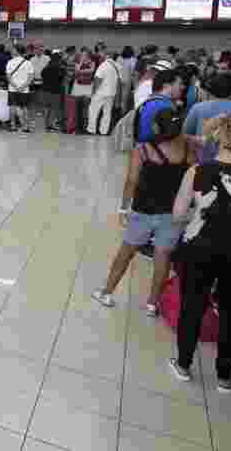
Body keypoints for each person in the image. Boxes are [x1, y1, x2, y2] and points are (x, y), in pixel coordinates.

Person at [169, 116, 231, 393]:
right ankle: (225, 376)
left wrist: (200, 214)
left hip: (199, 246)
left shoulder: (197, 170)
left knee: (192, 306)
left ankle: (183, 364)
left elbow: (178, 214)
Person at [92, 107, 192, 315]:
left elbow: (131, 181)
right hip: (173, 214)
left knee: (126, 252)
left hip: (143, 210)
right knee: (162, 257)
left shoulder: (143, 150)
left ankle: (107, 292)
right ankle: (152, 304)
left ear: (156, 127)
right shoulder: (188, 150)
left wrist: (123, 208)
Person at [88, 52, 122, 135]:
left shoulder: (103, 65)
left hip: (100, 92)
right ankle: (104, 131)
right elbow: (119, 82)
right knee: (107, 113)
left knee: (93, 111)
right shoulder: (118, 67)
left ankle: (91, 130)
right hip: (111, 93)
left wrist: (93, 92)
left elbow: (97, 79)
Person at [6, 45, 35, 133]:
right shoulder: (28, 63)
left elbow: (8, 77)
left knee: (12, 107)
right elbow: (31, 77)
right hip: (24, 90)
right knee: (24, 108)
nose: (12, 51)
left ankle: (13, 125)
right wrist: (22, 87)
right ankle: (25, 127)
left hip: (12, 89)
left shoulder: (10, 62)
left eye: (13, 50)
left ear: (17, 51)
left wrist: (15, 86)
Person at [39, 51, 65, 132]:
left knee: (47, 108)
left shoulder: (45, 68)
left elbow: (42, 76)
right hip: (55, 91)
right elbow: (62, 80)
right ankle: (51, 125)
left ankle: (46, 125)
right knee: (54, 109)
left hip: (45, 90)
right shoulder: (60, 69)